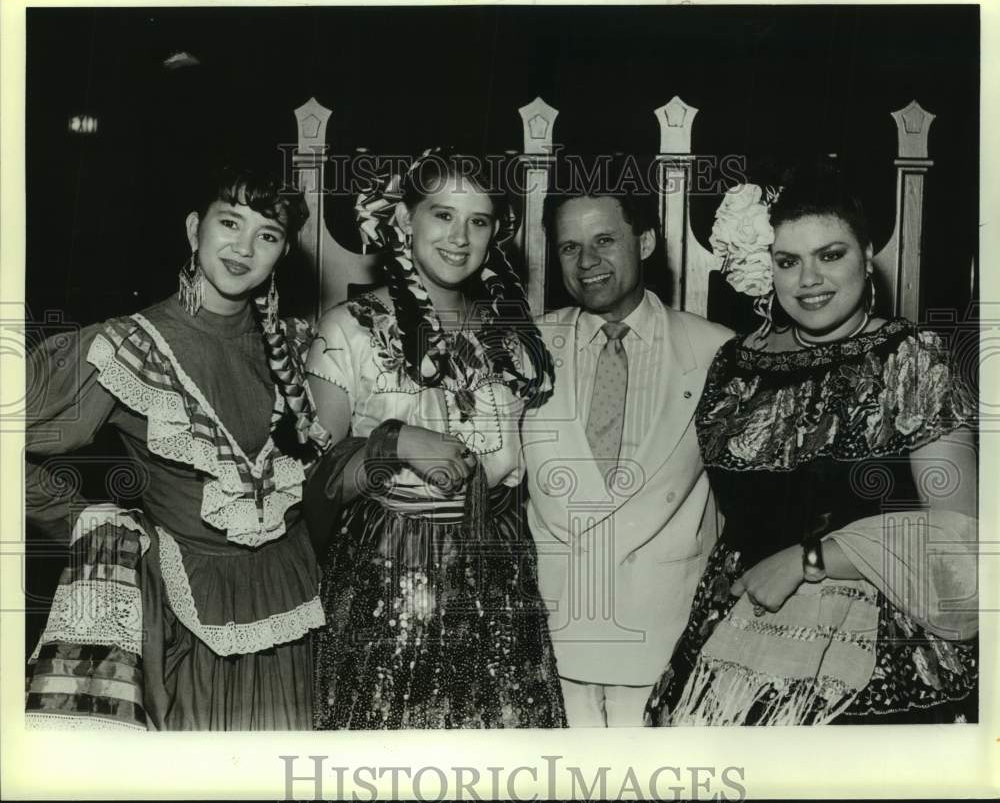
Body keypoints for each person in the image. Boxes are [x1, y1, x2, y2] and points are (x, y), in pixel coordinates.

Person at [645, 168, 979, 726]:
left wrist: (808, 562)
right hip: (736, 639)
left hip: (875, 654)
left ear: (868, 254)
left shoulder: (910, 357)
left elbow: (963, 538)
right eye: (788, 261)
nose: (808, 280)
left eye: (830, 255)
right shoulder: (735, 365)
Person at [24, 164, 329, 730]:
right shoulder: (126, 346)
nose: (244, 248)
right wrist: (86, 520)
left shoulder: (301, 343)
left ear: (283, 252)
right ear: (195, 229)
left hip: (293, 609)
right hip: (178, 623)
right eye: (230, 223)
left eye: (267, 235)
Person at [304, 150, 565, 729]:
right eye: (442, 215)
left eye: (478, 220)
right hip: (386, 585)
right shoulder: (348, 331)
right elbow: (305, 486)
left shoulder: (513, 341)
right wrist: (390, 444)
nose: (459, 237)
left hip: (497, 583)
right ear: (404, 219)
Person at [519, 166, 734, 727]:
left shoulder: (715, 351)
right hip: (554, 629)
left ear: (645, 242)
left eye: (604, 241)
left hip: (666, 630)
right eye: (569, 246)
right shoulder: (527, 348)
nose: (586, 261)